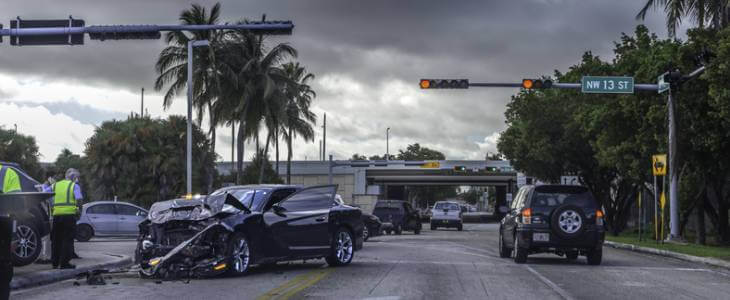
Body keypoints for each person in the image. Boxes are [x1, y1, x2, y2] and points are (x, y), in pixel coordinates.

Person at [50, 168, 83, 269]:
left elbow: (45, 193)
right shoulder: (74, 186)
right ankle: (64, 263)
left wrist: (52, 207)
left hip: (56, 216)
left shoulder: (55, 185)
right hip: (69, 216)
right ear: (74, 177)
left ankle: (55, 263)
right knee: (67, 240)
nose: (78, 180)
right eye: (78, 178)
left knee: (56, 239)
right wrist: (78, 210)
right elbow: (79, 199)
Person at [0, 163, 21, 299]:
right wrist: (14, 235)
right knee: (3, 271)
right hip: (3, 227)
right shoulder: (8, 173)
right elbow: (16, 206)